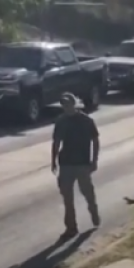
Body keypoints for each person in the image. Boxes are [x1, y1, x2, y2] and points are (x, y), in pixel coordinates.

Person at [51, 93, 100, 241]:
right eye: (63, 105)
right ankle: (71, 227)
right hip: (66, 163)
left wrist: (94, 160)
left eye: (68, 104)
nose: (66, 107)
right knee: (67, 197)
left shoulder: (86, 121)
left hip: (82, 163)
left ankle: (93, 209)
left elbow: (95, 140)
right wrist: (53, 161)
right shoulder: (61, 121)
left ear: (74, 104)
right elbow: (56, 142)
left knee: (87, 192)